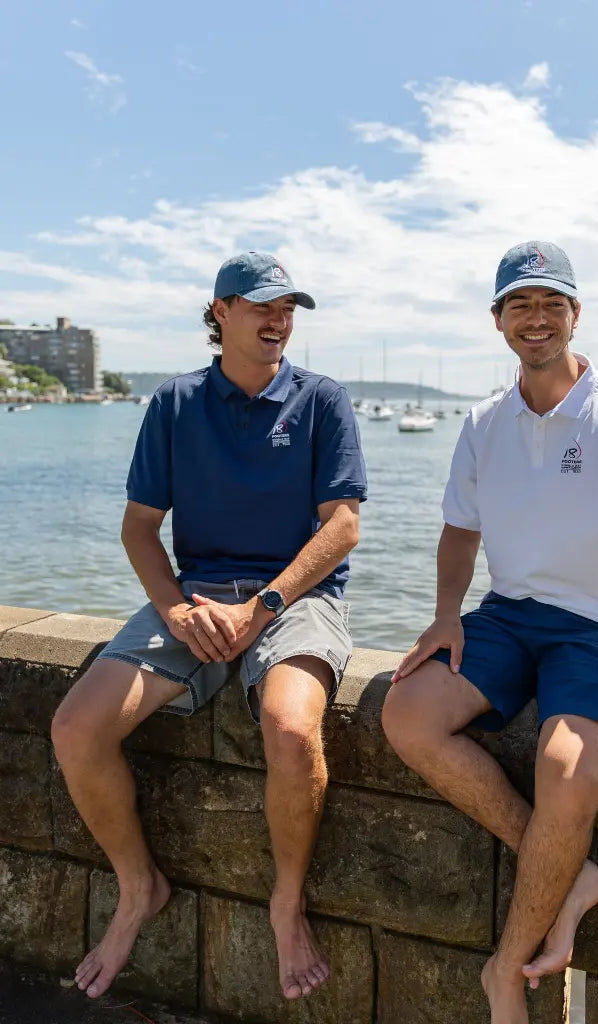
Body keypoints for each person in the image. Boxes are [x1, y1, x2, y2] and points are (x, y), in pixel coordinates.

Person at [382, 241, 598, 1024]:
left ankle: (505, 969)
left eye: (550, 303)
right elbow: (460, 534)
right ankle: (571, 871)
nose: (536, 318)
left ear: (573, 315)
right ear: (498, 321)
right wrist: (445, 613)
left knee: (566, 765)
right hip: (508, 613)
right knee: (406, 714)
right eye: (519, 304)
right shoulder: (483, 422)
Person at [51, 252, 367, 1003]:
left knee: (291, 729)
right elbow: (138, 530)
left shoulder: (322, 400)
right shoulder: (173, 404)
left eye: (288, 307)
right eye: (262, 306)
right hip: (192, 600)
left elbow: (343, 527)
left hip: (295, 597)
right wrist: (176, 609)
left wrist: (263, 608)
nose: (278, 320)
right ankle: (138, 890)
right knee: (74, 728)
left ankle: (285, 903)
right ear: (219, 312)